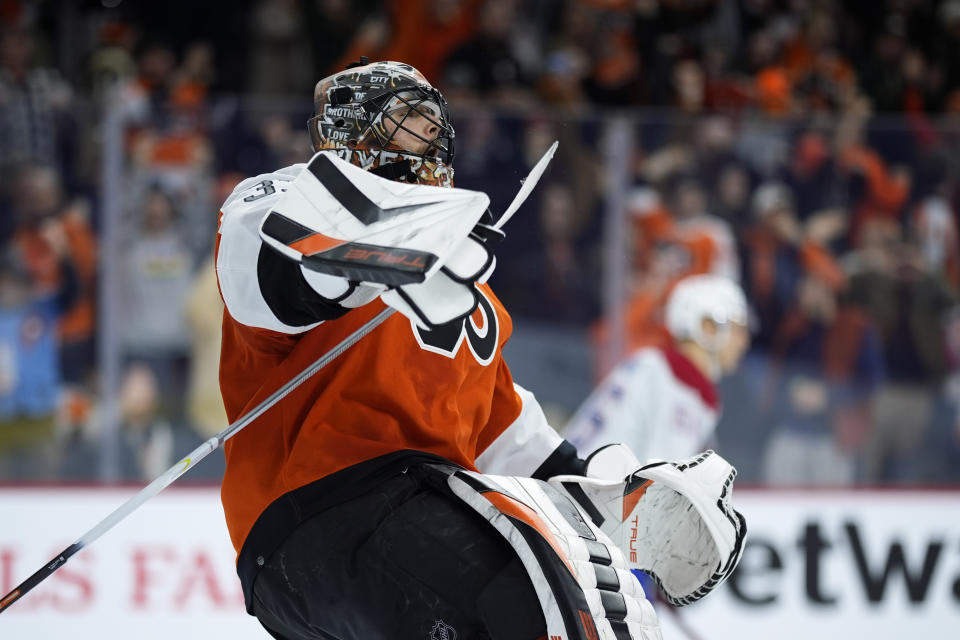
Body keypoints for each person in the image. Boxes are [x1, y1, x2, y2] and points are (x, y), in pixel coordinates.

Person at [215, 60, 743, 640]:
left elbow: (502, 428)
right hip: (322, 507)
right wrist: (384, 250)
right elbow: (273, 277)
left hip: (402, 520)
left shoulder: (469, 281)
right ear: (351, 130)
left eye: (430, 121)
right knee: (545, 602)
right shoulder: (283, 197)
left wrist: (611, 499)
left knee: (591, 595)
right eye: (405, 121)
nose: (429, 135)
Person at [565, 274, 751, 463]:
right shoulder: (679, 383)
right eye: (737, 328)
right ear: (707, 327)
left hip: (571, 480)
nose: (743, 342)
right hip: (592, 488)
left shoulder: (653, 364)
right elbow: (664, 480)